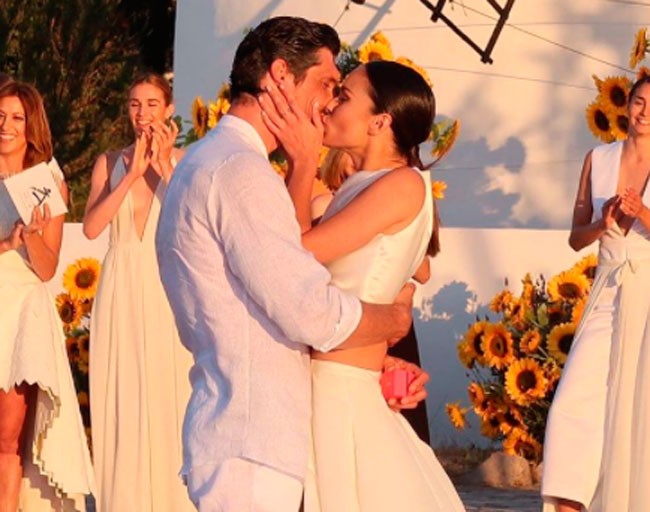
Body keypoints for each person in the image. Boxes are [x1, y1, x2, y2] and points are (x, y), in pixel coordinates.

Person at [155, 17, 427, 512]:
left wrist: (373, 360)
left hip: (248, 432)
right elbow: (308, 309)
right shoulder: (239, 172)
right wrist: (390, 322)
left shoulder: (211, 160)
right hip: (252, 441)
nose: (329, 101)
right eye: (326, 84)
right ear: (281, 76)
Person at [258, 59, 464, 511]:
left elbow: (297, 254)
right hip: (323, 381)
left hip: (341, 387)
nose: (332, 104)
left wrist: (303, 163)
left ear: (380, 122)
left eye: (345, 96)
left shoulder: (403, 184)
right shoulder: (363, 185)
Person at [83, 72, 194, 512]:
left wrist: (163, 166)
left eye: (151, 104)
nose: (142, 113)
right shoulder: (109, 162)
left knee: (170, 391)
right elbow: (92, 227)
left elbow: (192, 220)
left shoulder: (185, 162)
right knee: (124, 395)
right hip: (121, 288)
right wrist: (130, 177)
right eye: (134, 104)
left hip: (167, 285)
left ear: (168, 110)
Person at [542, 76, 650, 512]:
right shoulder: (598, 158)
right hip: (608, 289)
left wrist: (643, 213)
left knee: (638, 406)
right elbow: (575, 238)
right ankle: (569, 501)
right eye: (639, 101)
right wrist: (602, 222)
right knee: (575, 398)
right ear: (627, 105)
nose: (644, 112)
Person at [0, 81, 94, 511]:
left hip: (21, 311)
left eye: (17, 117)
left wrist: (32, 236)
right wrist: (6, 244)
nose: (6, 125)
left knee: (7, 435)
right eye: (1, 115)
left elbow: (48, 267)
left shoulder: (47, 182)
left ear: (31, 125)